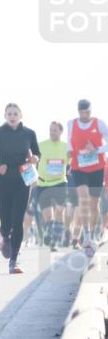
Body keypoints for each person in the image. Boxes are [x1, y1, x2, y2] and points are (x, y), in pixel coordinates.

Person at [0, 103, 40, 274]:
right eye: (9, 113)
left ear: (20, 115)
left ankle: (14, 261)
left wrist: (35, 160)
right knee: (6, 221)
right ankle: (5, 236)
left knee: (18, 221)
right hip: (3, 181)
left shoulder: (29, 133)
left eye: (15, 113)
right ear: (5, 115)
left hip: (22, 181)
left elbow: (37, 153)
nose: (12, 116)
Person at [66, 99, 107, 255]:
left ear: (91, 110)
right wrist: (70, 151)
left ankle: (92, 231)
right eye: (82, 112)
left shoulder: (100, 123)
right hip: (79, 167)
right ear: (78, 111)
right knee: (83, 199)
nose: (84, 115)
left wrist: (96, 150)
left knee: (94, 204)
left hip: (97, 167)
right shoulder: (71, 123)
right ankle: (87, 237)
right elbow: (69, 140)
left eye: (87, 112)